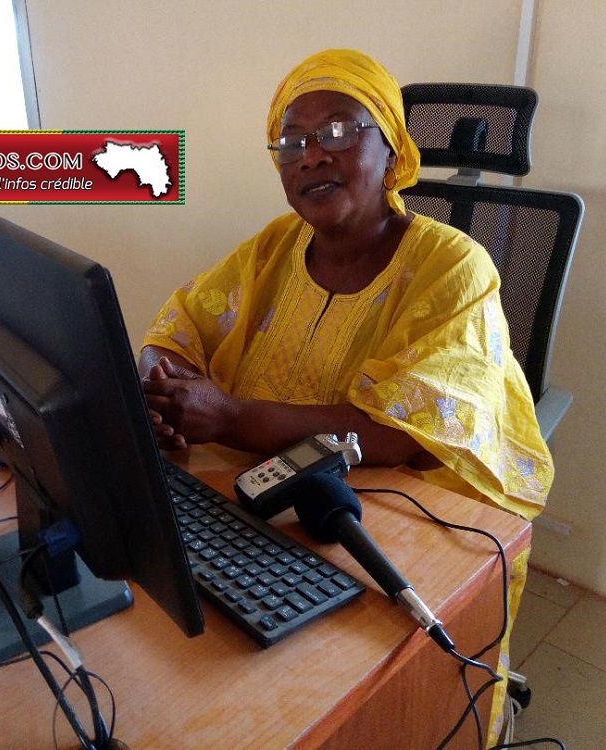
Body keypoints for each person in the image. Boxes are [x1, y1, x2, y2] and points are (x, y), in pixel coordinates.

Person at [140, 48, 550, 743]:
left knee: (364, 692)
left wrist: (229, 416)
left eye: (337, 130)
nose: (311, 155)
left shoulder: (454, 266)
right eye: (291, 141)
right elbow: (177, 327)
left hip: (395, 512)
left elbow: (402, 432)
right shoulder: (273, 247)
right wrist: (162, 385)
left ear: (391, 151)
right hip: (265, 495)